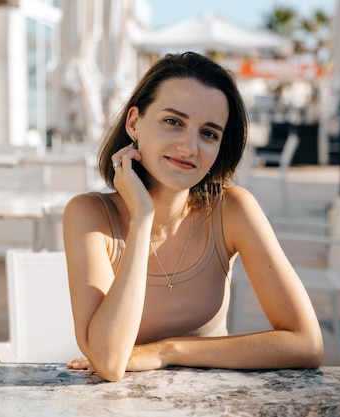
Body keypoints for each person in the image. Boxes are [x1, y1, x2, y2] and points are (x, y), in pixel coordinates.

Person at [63, 52, 323, 382]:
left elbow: (306, 344)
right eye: (173, 122)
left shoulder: (232, 209)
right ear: (134, 123)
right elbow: (110, 362)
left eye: (209, 133)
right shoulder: (89, 215)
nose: (189, 147)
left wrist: (166, 351)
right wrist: (143, 219)